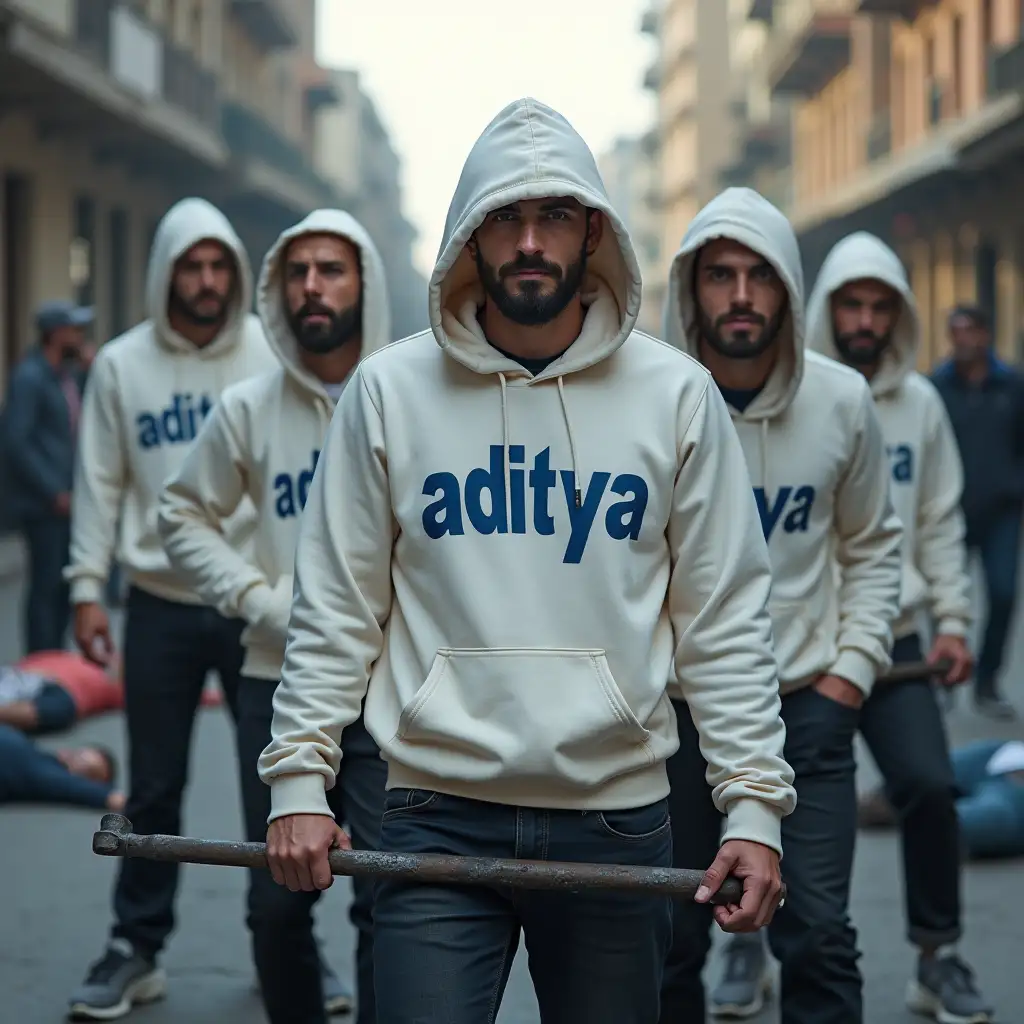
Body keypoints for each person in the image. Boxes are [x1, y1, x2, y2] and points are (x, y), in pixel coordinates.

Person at [257, 97, 796, 1024]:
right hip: (430, 811)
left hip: (617, 819)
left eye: (553, 216)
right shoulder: (387, 393)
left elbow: (724, 623)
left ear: (595, 230)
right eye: (505, 217)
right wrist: (299, 778)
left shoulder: (677, 396)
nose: (531, 241)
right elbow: (338, 609)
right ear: (470, 235)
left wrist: (751, 808)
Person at [659, 188, 904, 1024]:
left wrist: (851, 675)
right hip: (674, 722)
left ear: (790, 291)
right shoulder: (651, 402)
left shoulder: (842, 402)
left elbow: (874, 545)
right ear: (690, 290)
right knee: (670, 941)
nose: (738, 296)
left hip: (808, 710)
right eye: (718, 275)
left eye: (759, 276)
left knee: (820, 938)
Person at [737, 230, 992, 1023]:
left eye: (882, 306)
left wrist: (953, 618)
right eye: (851, 302)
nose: (865, 320)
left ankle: (936, 954)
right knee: (749, 803)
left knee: (927, 782)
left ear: (900, 317)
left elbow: (938, 521)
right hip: (792, 639)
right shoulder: (783, 395)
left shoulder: (920, 404)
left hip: (892, 634)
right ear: (823, 308)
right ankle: (747, 951)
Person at [157, 209, 393, 1024]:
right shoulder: (249, 407)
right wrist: (256, 598)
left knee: (387, 900)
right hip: (275, 676)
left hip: (391, 691)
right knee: (278, 904)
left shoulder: (406, 396)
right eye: (297, 273)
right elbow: (182, 512)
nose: (313, 287)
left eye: (332, 269)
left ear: (366, 282)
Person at [65, 197, 278, 1022]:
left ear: (234, 273)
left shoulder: (269, 352)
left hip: (252, 602)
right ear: (164, 274)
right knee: (154, 789)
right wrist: (87, 585)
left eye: (218, 266)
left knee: (275, 790)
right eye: (190, 267)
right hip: (155, 602)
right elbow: (101, 481)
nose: (205, 281)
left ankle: (283, 951)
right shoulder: (121, 364)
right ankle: (136, 948)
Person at [931, 306, 1024, 720]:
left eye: (970, 330)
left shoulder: (1012, 385)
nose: (963, 339)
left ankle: (987, 682)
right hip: (951, 510)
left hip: (1002, 512)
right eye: (956, 331)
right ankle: (944, 675)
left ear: (986, 334)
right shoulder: (936, 387)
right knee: (945, 597)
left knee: (1003, 594)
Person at [1, 301, 92, 652]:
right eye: (75, 330)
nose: (81, 338)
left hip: (68, 501)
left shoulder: (64, 375)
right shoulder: (30, 377)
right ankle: (41, 663)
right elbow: (16, 441)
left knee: (61, 588)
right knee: (45, 586)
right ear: (56, 334)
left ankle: (57, 661)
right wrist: (52, 490)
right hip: (44, 504)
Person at [859, 739, 1024, 861]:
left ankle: (944, 830)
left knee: (987, 817)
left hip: (1012, 782)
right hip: (1006, 755)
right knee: (918, 779)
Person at [0, 650, 222, 735]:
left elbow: (179, 693)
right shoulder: (91, 657)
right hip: (26, 680)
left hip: (57, 692)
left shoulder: (124, 684)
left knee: (59, 709)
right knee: (60, 708)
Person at [0, 723, 123, 810]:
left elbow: (112, 799)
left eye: (86, 767)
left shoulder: (46, 774)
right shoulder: (36, 754)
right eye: (79, 754)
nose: (73, 756)